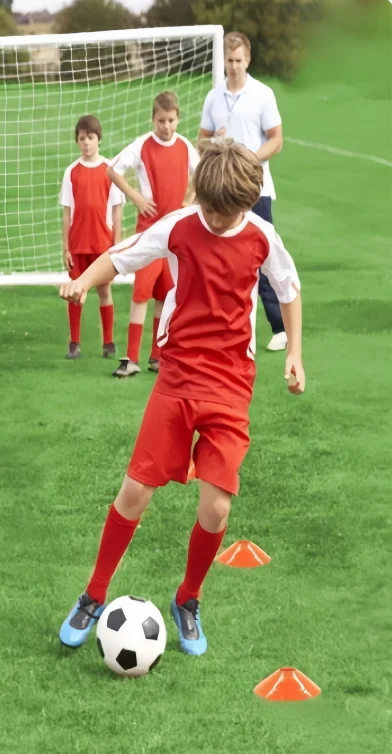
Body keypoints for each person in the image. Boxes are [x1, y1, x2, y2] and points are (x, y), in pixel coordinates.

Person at [57, 141, 304, 655]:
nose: (213, 219)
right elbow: (120, 256)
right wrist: (82, 280)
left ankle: (188, 599)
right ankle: (93, 594)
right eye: (208, 209)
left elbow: (288, 288)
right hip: (178, 376)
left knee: (216, 507)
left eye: (223, 213)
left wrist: (294, 353)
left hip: (232, 383)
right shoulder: (179, 226)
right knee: (135, 491)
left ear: (245, 205)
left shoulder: (262, 236)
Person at [199, 31, 287, 352]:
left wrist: (250, 157)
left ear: (248, 60)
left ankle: (279, 327)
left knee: (261, 254)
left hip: (256, 188)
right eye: (229, 61)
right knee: (221, 255)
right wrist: (215, 143)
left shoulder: (262, 94)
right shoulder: (213, 97)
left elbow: (276, 140)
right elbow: (201, 142)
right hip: (224, 191)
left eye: (238, 61)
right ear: (223, 61)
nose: (233, 67)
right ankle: (223, 325)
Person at [107, 91, 199, 377]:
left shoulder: (185, 146)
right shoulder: (142, 146)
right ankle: (130, 357)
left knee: (166, 293)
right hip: (149, 232)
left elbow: (202, 174)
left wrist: (191, 199)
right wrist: (136, 197)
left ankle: (157, 356)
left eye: (171, 120)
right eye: (161, 120)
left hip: (175, 233)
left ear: (178, 119)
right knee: (141, 293)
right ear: (153, 119)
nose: (166, 126)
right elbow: (112, 170)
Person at [59, 114, 123, 360]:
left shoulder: (110, 170)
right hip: (78, 245)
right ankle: (74, 343)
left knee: (104, 291)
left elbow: (117, 211)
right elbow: (67, 213)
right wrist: (65, 247)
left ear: (99, 140)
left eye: (91, 138)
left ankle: (108, 342)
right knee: (75, 294)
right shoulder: (71, 172)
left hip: (102, 245)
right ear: (77, 142)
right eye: (82, 139)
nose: (86, 143)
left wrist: (117, 245)